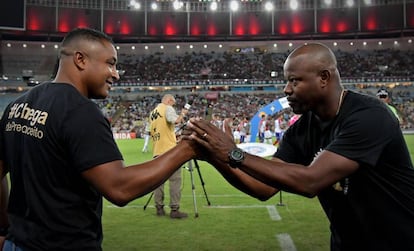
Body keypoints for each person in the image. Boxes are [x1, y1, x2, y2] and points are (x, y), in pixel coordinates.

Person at [185, 43, 414, 251]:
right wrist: (214, 154)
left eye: (295, 81)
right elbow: (263, 188)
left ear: (324, 77)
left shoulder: (368, 116)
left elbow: (310, 181)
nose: (286, 89)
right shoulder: (301, 130)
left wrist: (233, 153)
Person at [0, 28, 198, 251]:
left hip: (16, 244)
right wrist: (187, 149)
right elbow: (119, 188)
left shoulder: (17, 105)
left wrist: (4, 229)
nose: (116, 74)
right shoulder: (81, 112)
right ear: (80, 59)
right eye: (110, 63)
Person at [149, 94, 189, 219]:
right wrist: (182, 114)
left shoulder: (153, 112)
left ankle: (159, 208)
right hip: (169, 151)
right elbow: (176, 121)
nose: (173, 105)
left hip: (157, 150)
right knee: (175, 180)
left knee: (158, 182)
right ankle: (174, 209)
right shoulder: (167, 108)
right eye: (173, 103)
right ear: (168, 100)